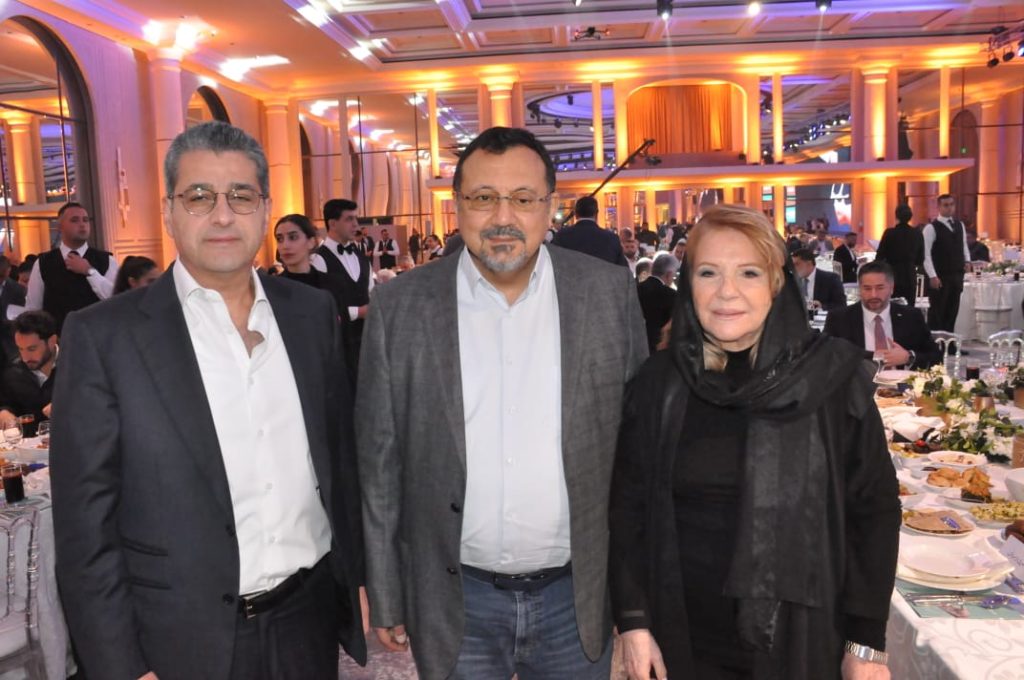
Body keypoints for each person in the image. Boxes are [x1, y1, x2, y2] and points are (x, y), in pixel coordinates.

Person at [51, 121, 366, 680]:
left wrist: (358, 581)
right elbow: (84, 526)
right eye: (198, 196)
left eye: (241, 195)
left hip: (308, 621)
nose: (222, 215)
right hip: (179, 639)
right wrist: (121, 666)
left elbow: (339, 460)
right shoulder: (105, 336)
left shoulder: (309, 314)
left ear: (265, 210)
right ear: (169, 211)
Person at [357, 126, 648, 680]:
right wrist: (388, 594)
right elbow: (380, 466)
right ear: (458, 205)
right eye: (483, 198)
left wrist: (636, 601)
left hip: (577, 597)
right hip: (456, 598)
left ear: (550, 207)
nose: (502, 217)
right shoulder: (400, 306)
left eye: (523, 199)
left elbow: (638, 457)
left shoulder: (607, 293)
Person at [610, 203, 899, 680]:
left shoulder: (830, 379)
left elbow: (875, 510)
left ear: (776, 282)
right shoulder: (659, 383)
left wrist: (866, 643)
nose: (727, 291)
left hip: (803, 639)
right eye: (708, 273)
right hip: (680, 636)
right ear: (688, 283)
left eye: (748, 272)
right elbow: (627, 508)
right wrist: (634, 622)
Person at [274, 213, 357, 380]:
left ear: (311, 242)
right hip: (290, 377)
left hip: (330, 376)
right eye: (280, 239)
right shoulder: (272, 290)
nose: (285, 245)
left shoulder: (334, 285)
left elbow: (344, 339)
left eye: (293, 237)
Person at [824, 260, 940, 369]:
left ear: (891, 288)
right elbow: (825, 359)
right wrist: (870, 357)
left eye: (880, 288)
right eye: (867, 288)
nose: (873, 295)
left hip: (902, 383)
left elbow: (935, 357)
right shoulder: (839, 319)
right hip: (857, 383)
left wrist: (908, 357)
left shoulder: (911, 317)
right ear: (859, 289)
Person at [25, 202, 119, 331]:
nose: (82, 224)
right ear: (60, 227)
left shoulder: (106, 260)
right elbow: (33, 308)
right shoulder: (43, 262)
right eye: (74, 220)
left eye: (85, 220)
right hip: (58, 337)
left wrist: (90, 271)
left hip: (97, 335)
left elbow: (117, 299)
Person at [313, 198, 372, 364]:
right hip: (337, 346)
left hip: (366, 344)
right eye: (349, 219)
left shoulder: (361, 257)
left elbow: (371, 293)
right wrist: (358, 312)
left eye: (356, 218)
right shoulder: (318, 259)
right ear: (332, 224)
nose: (356, 225)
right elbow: (320, 308)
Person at [0, 310, 58, 433]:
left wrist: (67, 403)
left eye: (32, 349)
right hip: (28, 443)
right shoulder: (13, 371)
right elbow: (6, 403)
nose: (25, 358)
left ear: (52, 341)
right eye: (20, 349)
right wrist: (4, 412)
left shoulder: (76, 364)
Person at [923, 194, 970, 331]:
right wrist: (932, 276)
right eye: (946, 205)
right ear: (938, 207)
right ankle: (935, 341)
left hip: (957, 275)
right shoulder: (931, 228)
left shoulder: (959, 225)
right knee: (938, 311)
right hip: (940, 276)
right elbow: (926, 254)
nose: (949, 208)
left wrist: (967, 260)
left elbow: (964, 245)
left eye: (952, 204)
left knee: (952, 310)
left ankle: (950, 340)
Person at [551, 196, 627, 265]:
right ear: (596, 214)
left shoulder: (561, 236)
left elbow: (552, 262)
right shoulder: (612, 238)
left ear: (576, 214)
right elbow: (623, 269)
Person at [874, 204, 924, 306]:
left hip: (892, 275)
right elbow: (920, 259)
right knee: (909, 308)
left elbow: (879, 257)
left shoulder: (889, 233)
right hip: (910, 275)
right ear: (910, 217)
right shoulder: (917, 234)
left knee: (893, 307)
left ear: (896, 216)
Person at [637, 252, 679, 354]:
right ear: (669, 274)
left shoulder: (635, 288)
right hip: (659, 348)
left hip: (636, 344)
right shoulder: (671, 295)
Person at [791, 247, 847, 313]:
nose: (793, 268)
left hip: (822, 318)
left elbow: (841, 305)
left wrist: (821, 306)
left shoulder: (831, 279)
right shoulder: (793, 281)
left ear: (809, 264)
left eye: (797, 264)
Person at [0, 256, 27, 365]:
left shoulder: (18, 290)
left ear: (8, 270)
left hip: (10, 345)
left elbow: (20, 316)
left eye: (1, 276)